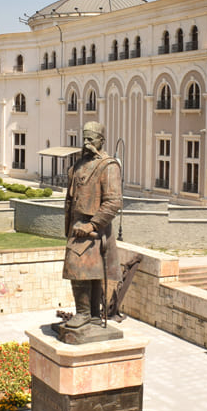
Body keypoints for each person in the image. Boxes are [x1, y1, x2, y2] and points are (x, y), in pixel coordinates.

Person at [62, 121, 122, 329]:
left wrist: (92, 225)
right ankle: (93, 315)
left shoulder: (108, 165)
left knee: (78, 269)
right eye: (84, 138)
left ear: (101, 140)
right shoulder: (79, 164)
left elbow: (114, 202)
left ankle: (85, 314)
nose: (86, 143)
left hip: (93, 231)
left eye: (91, 139)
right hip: (77, 226)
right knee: (90, 271)